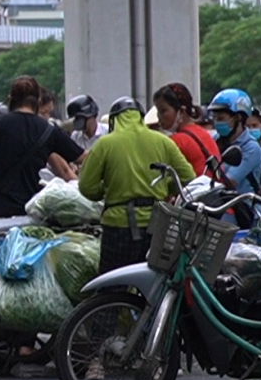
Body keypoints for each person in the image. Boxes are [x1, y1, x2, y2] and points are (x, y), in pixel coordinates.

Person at [78, 98, 195, 274]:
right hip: (156, 225)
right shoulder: (163, 141)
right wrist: (163, 187)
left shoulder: (105, 144)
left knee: (112, 287)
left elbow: (87, 187)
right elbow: (188, 177)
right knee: (154, 285)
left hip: (118, 226)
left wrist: (108, 189)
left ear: (114, 120)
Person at [0, 76, 84, 222]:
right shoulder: (48, 130)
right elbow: (82, 157)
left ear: (11, 98)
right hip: (31, 209)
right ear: (38, 100)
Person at [152, 83, 220, 177]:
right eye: (158, 112)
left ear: (181, 111)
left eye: (163, 111)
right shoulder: (203, 133)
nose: (159, 117)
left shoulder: (177, 141)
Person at [206, 88, 261, 195]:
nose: (217, 122)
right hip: (214, 205)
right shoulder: (214, 140)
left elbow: (229, 182)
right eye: (215, 118)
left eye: (221, 118)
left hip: (242, 207)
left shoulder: (251, 148)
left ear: (238, 118)